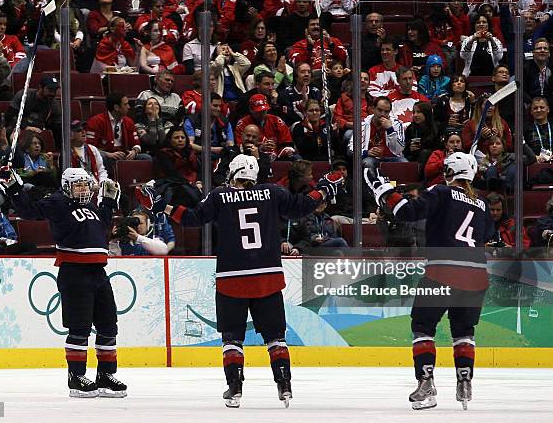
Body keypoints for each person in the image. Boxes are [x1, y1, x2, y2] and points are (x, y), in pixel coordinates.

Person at [158, 153, 342, 408]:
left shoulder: (220, 196)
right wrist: (323, 191)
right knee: (276, 337)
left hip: (231, 278)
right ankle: (284, 385)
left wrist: (163, 206)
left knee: (232, 338)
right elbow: (301, 207)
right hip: (267, 277)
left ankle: (234, 389)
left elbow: (192, 219)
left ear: (233, 173)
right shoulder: (272, 192)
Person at [365, 151, 494, 411]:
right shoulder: (482, 203)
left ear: (448, 173)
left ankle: (426, 382)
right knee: (464, 332)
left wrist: (383, 191)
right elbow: (489, 234)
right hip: (476, 276)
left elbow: (406, 212)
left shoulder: (441, 192)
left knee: (423, 327)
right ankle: (465, 382)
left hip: (442, 272)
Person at [1, 167, 128, 398]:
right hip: (74, 271)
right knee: (79, 328)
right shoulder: (57, 202)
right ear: (67, 186)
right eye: (78, 184)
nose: (84, 188)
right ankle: (76, 377)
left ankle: (105, 375)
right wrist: (13, 187)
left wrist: (109, 203)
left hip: (99, 272)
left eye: (86, 184)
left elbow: (102, 228)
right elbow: (30, 210)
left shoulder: (91, 206)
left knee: (108, 326)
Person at [351, 96, 406, 169]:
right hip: (372, 158)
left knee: (404, 162)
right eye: (380, 110)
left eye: (386, 111)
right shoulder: (363, 124)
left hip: (391, 158)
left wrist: (390, 130)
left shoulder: (397, 124)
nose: (383, 114)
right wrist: (366, 153)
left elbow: (399, 150)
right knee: (367, 162)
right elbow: (351, 149)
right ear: (373, 109)